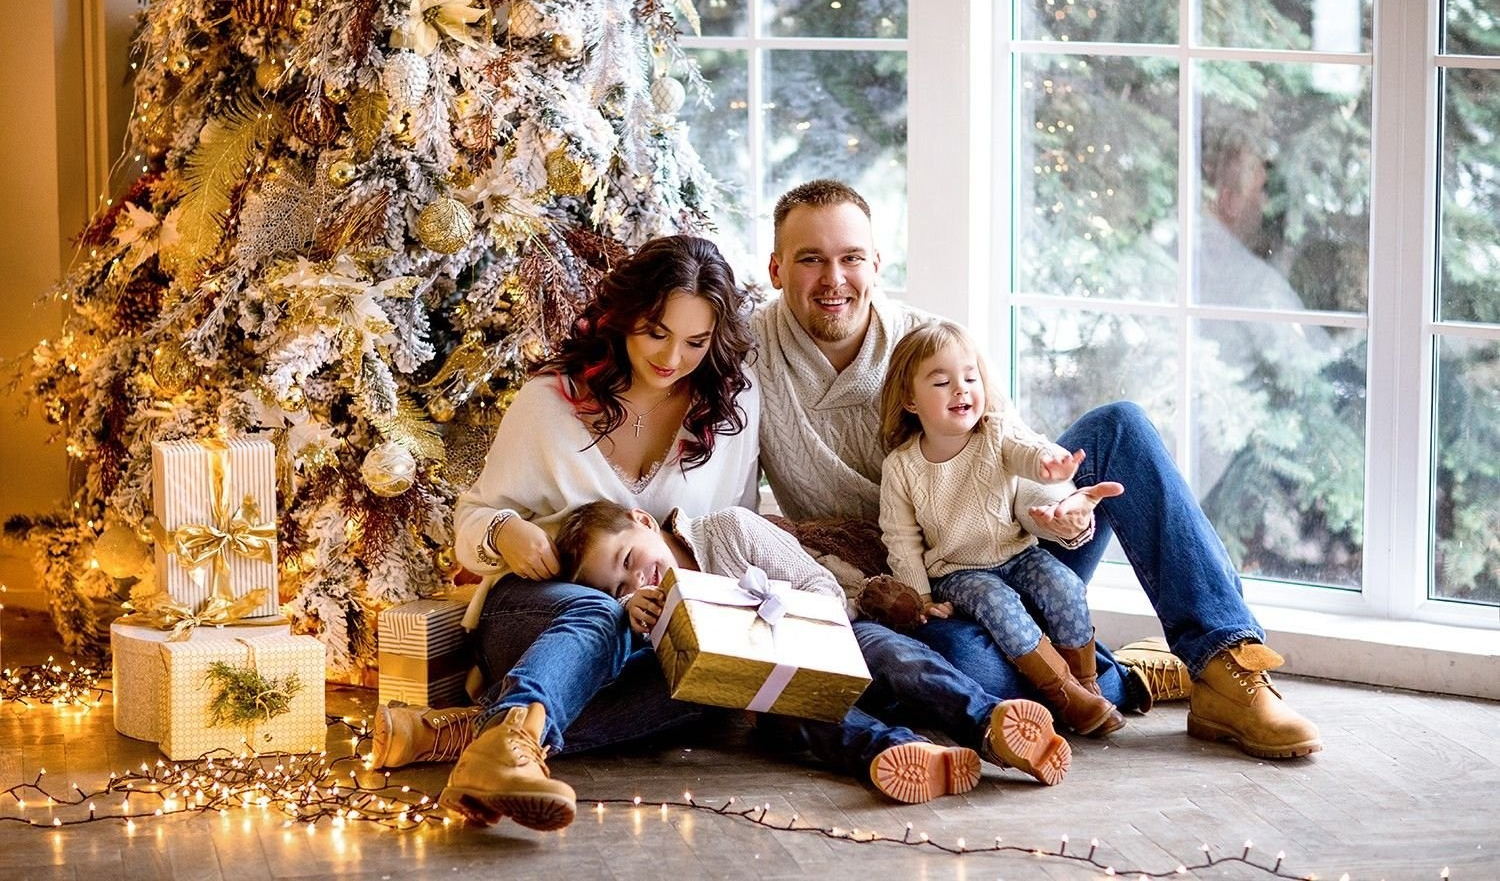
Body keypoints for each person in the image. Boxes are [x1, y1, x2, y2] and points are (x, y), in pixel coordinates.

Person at [751, 178, 1321, 760]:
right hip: (922, 588)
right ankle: (1121, 677)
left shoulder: (931, 345)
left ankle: (1226, 665)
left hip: (1012, 546)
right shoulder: (747, 359)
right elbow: (725, 502)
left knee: (1120, 426)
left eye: (850, 258)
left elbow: (1012, 450)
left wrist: (1059, 504)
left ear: (877, 262)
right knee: (968, 666)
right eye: (810, 260)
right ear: (775, 269)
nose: (834, 280)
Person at [377, 234, 763, 832]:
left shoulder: (728, 411)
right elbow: (474, 519)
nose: (672, 357)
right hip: (540, 616)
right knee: (599, 612)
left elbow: (730, 535)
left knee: (707, 691)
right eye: (656, 332)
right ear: (625, 315)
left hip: (654, 635)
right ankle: (503, 744)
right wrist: (504, 532)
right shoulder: (549, 403)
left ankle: (479, 738)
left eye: (696, 341)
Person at [555, 498, 1073, 802]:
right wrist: (632, 617)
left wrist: (760, 608)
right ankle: (899, 753)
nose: (635, 577)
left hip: (837, 636)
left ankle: (991, 726)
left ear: (643, 521)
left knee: (898, 657)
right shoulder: (652, 618)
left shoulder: (729, 530)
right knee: (795, 715)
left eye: (627, 557)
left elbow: (822, 588)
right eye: (618, 584)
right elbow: (685, 684)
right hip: (773, 691)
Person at [877, 320, 1126, 737]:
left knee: (1064, 584)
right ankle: (1061, 690)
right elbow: (901, 539)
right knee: (998, 603)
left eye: (970, 377)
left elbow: (1029, 450)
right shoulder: (902, 467)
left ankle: (1087, 686)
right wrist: (919, 596)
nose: (961, 389)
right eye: (942, 382)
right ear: (910, 400)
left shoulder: (995, 434)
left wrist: (1052, 465)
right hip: (957, 572)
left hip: (1017, 553)